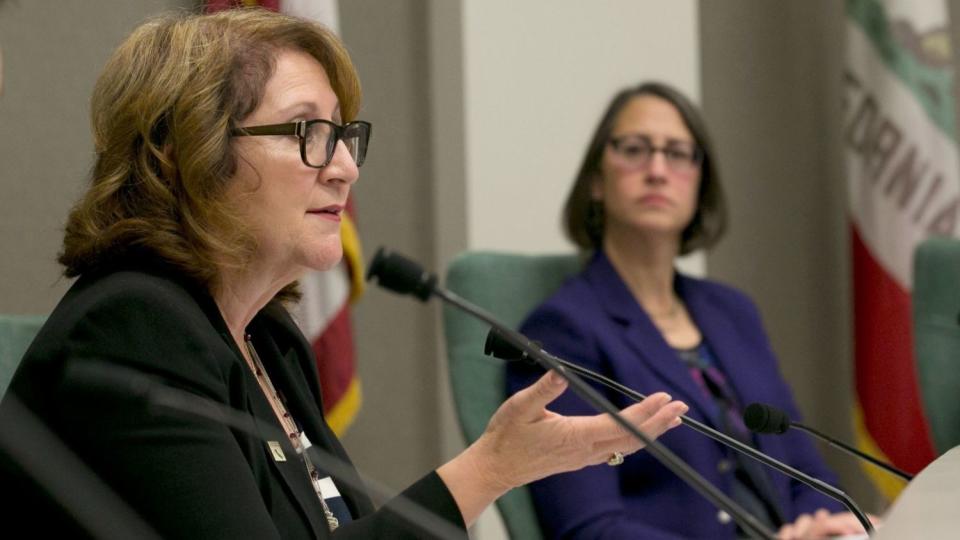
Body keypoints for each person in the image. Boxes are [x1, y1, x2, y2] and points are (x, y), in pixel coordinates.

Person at [0, 10, 689, 539]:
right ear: (187, 153)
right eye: (307, 133)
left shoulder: (268, 337)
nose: (344, 167)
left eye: (342, 133)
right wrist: (489, 470)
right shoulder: (133, 328)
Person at [505, 82, 871, 539]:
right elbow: (591, 530)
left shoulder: (733, 312)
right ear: (597, 181)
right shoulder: (565, 331)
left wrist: (834, 526)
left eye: (678, 153)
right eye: (635, 149)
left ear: (701, 182)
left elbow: (805, 474)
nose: (657, 170)